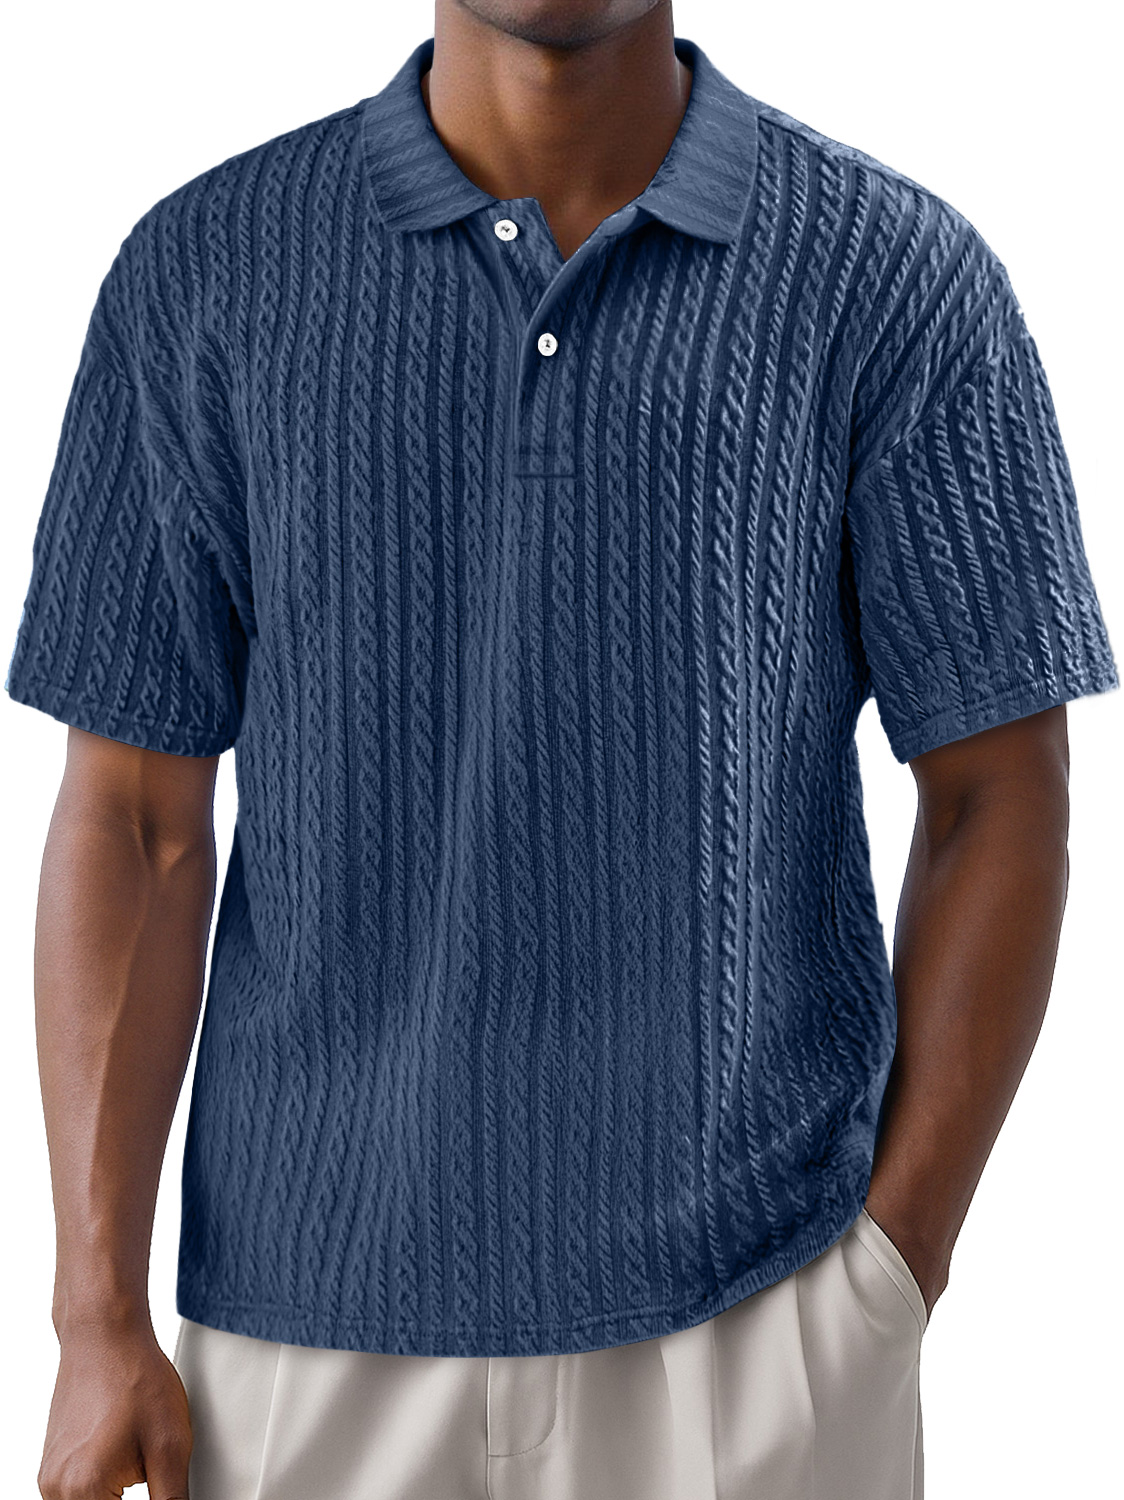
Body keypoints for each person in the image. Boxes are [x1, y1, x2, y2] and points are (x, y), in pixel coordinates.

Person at [10, 1, 1118, 1496]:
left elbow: (999, 792)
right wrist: (94, 1316)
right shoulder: (205, 271)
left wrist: (888, 1274)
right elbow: (134, 823)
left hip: (755, 1322)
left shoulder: (893, 279)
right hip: (295, 1344)